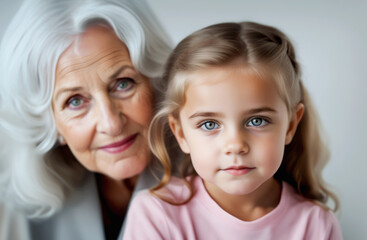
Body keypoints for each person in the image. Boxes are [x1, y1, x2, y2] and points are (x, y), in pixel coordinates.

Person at [123, 21, 343, 239]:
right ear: (181, 134)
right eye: (209, 124)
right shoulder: (156, 215)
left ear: (291, 125)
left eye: (257, 121)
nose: (235, 145)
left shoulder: (316, 225)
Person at [0, 0, 174, 239]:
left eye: (123, 84)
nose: (111, 124)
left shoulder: (220, 176)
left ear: (154, 83)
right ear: (49, 124)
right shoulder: (24, 211)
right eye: (75, 101)